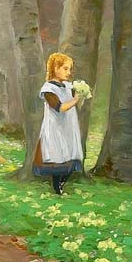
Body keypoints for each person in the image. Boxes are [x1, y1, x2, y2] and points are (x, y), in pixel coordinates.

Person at [32, 52, 86, 194]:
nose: (69, 72)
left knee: (71, 154)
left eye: (70, 69)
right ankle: (57, 186)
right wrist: (75, 100)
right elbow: (60, 108)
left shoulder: (68, 86)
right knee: (57, 155)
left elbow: (75, 100)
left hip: (69, 126)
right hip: (55, 127)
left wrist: (82, 93)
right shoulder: (49, 89)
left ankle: (62, 182)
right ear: (55, 68)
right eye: (65, 68)